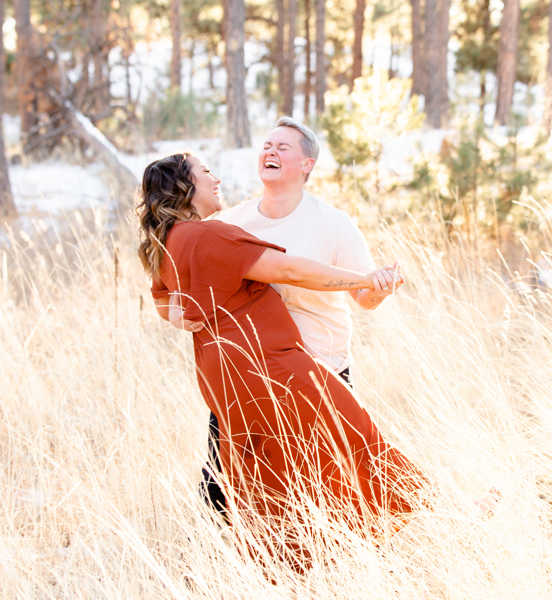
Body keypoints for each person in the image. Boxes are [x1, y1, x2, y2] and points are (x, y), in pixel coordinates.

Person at [138, 152, 427, 564]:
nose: (216, 178)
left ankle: (290, 568)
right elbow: (289, 271)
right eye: (205, 173)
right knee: (353, 435)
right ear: (185, 187)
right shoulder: (208, 235)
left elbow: (163, 303)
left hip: (221, 372)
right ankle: (437, 518)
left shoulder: (165, 243)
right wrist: (364, 280)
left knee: (267, 471)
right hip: (267, 362)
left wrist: (180, 317)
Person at [167, 118, 402, 520]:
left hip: (318, 370)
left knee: (330, 485)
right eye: (266, 145)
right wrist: (178, 313)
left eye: (283, 147)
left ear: (307, 164)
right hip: (247, 375)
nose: (270, 152)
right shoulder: (227, 224)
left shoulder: (334, 224)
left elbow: (364, 296)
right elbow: (180, 288)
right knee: (222, 490)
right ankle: (236, 572)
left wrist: (377, 287)